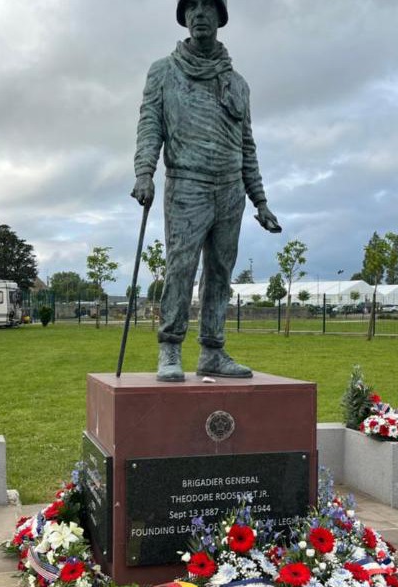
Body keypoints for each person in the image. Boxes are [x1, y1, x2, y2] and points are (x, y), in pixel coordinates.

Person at [131, 0, 281, 382]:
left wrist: (260, 200)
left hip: (231, 190)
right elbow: (150, 125)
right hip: (187, 183)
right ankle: (170, 347)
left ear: (220, 17)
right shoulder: (164, 71)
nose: (199, 13)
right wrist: (145, 172)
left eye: (207, 6)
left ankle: (213, 350)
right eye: (192, 6)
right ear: (184, 17)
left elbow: (247, 145)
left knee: (220, 272)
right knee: (180, 267)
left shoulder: (238, 83)